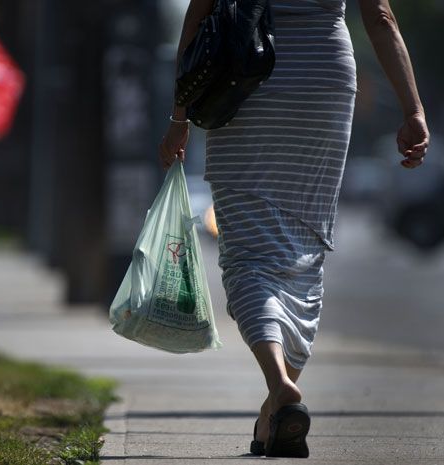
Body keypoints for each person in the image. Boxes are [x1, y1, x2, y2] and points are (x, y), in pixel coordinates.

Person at [159, 0, 429, 458]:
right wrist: (413, 108)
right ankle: (273, 414)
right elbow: (381, 17)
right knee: (303, 249)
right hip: (324, 77)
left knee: (248, 255)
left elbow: (199, 14)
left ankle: (279, 383)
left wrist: (179, 117)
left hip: (246, 77)